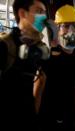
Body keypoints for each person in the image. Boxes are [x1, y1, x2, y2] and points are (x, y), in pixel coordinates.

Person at [0, 0, 49, 130]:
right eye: (39, 11)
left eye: (44, 13)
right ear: (22, 13)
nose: (44, 17)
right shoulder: (4, 47)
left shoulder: (37, 49)